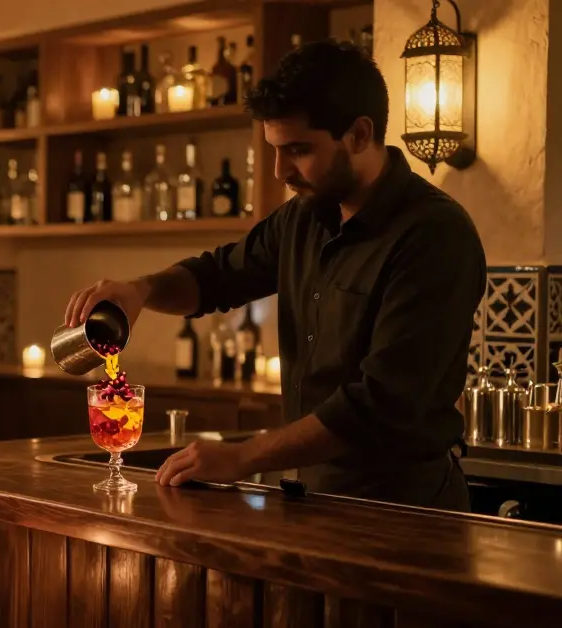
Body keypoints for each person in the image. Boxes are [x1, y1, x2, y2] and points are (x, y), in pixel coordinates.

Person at [63, 40, 486, 511]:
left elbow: (381, 405)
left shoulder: (434, 235)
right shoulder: (303, 217)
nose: (282, 170)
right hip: (313, 500)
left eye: (299, 150)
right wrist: (140, 290)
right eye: (274, 150)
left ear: (360, 135)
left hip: (405, 512)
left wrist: (243, 457)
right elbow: (217, 276)